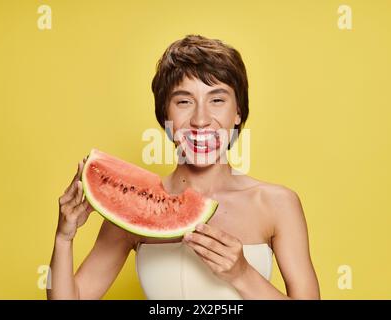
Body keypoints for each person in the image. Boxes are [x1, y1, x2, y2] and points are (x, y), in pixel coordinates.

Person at [47, 35, 320, 300]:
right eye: (184, 101)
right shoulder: (131, 207)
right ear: (165, 114)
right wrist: (63, 238)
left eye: (217, 100)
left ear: (237, 112)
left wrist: (242, 275)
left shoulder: (277, 204)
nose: (200, 120)